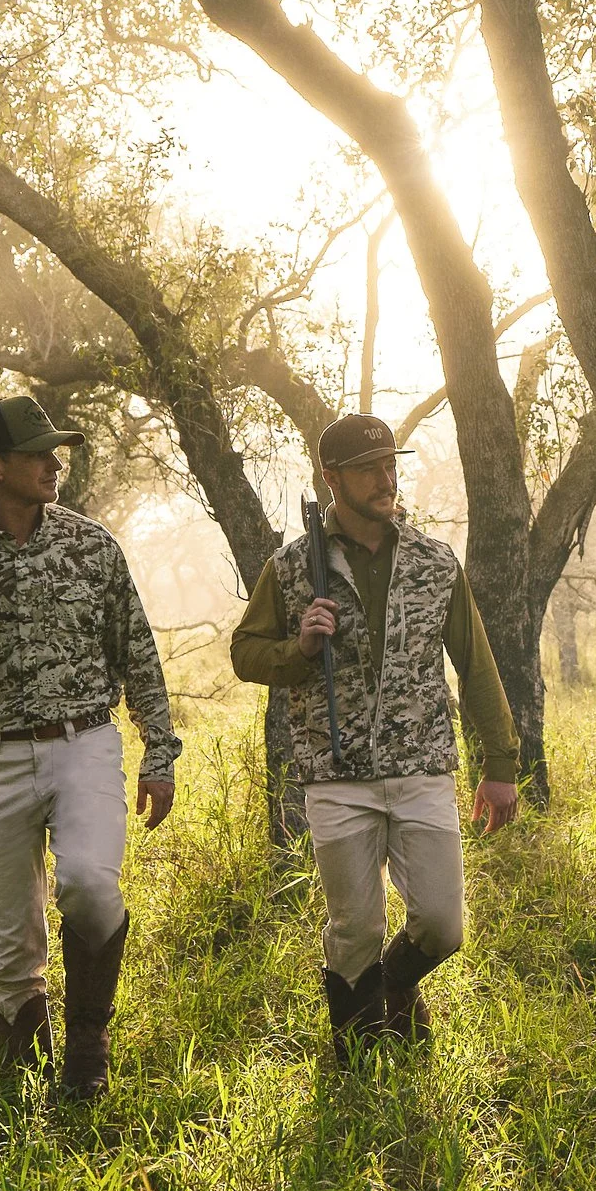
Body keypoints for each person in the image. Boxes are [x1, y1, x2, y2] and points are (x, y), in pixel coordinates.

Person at [0, 395, 179, 1097]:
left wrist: (158, 753)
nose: (54, 462)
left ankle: (87, 1052)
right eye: (38, 452)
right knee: (11, 948)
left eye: (55, 450)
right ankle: (20, 1083)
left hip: (83, 744)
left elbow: (138, 654)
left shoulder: (90, 545)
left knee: (90, 887)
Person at [230, 413, 521, 1062]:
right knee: (356, 927)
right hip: (335, 772)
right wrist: (300, 646)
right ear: (332, 479)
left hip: (421, 765)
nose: (386, 478)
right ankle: (358, 1063)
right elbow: (245, 653)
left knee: (443, 924)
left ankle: (390, 992)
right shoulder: (293, 566)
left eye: (391, 464)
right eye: (369, 469)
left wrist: (499, 762)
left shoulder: (432, 560)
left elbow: (475, 664)